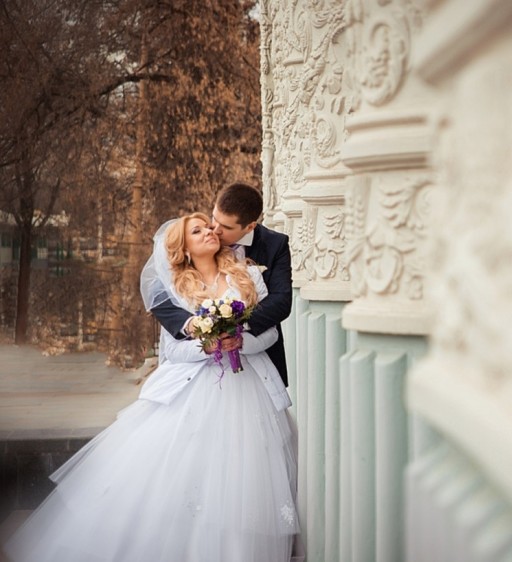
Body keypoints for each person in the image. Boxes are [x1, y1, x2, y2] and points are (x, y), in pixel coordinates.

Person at [4, 213, 300, 562]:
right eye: (198, 230)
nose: (210, 231)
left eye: (209, 227)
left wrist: (241, 342)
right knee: (190, 478)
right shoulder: (178, 290)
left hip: (248, 388)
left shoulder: (246, 274)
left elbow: (270, 333)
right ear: (184, 249)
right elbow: (173, 351)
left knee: (242, 479)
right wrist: (207, 346)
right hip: (194, 392)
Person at [152, 183, 293, 386]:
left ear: (249, 227)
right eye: (214, 220)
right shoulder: (185, 272)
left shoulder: (273, 246)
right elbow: (158, 296)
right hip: (198, 374)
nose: (214, 231)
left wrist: (234, 326)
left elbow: (280, 302)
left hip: (255, 367)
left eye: (226, 227)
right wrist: (195, 326)